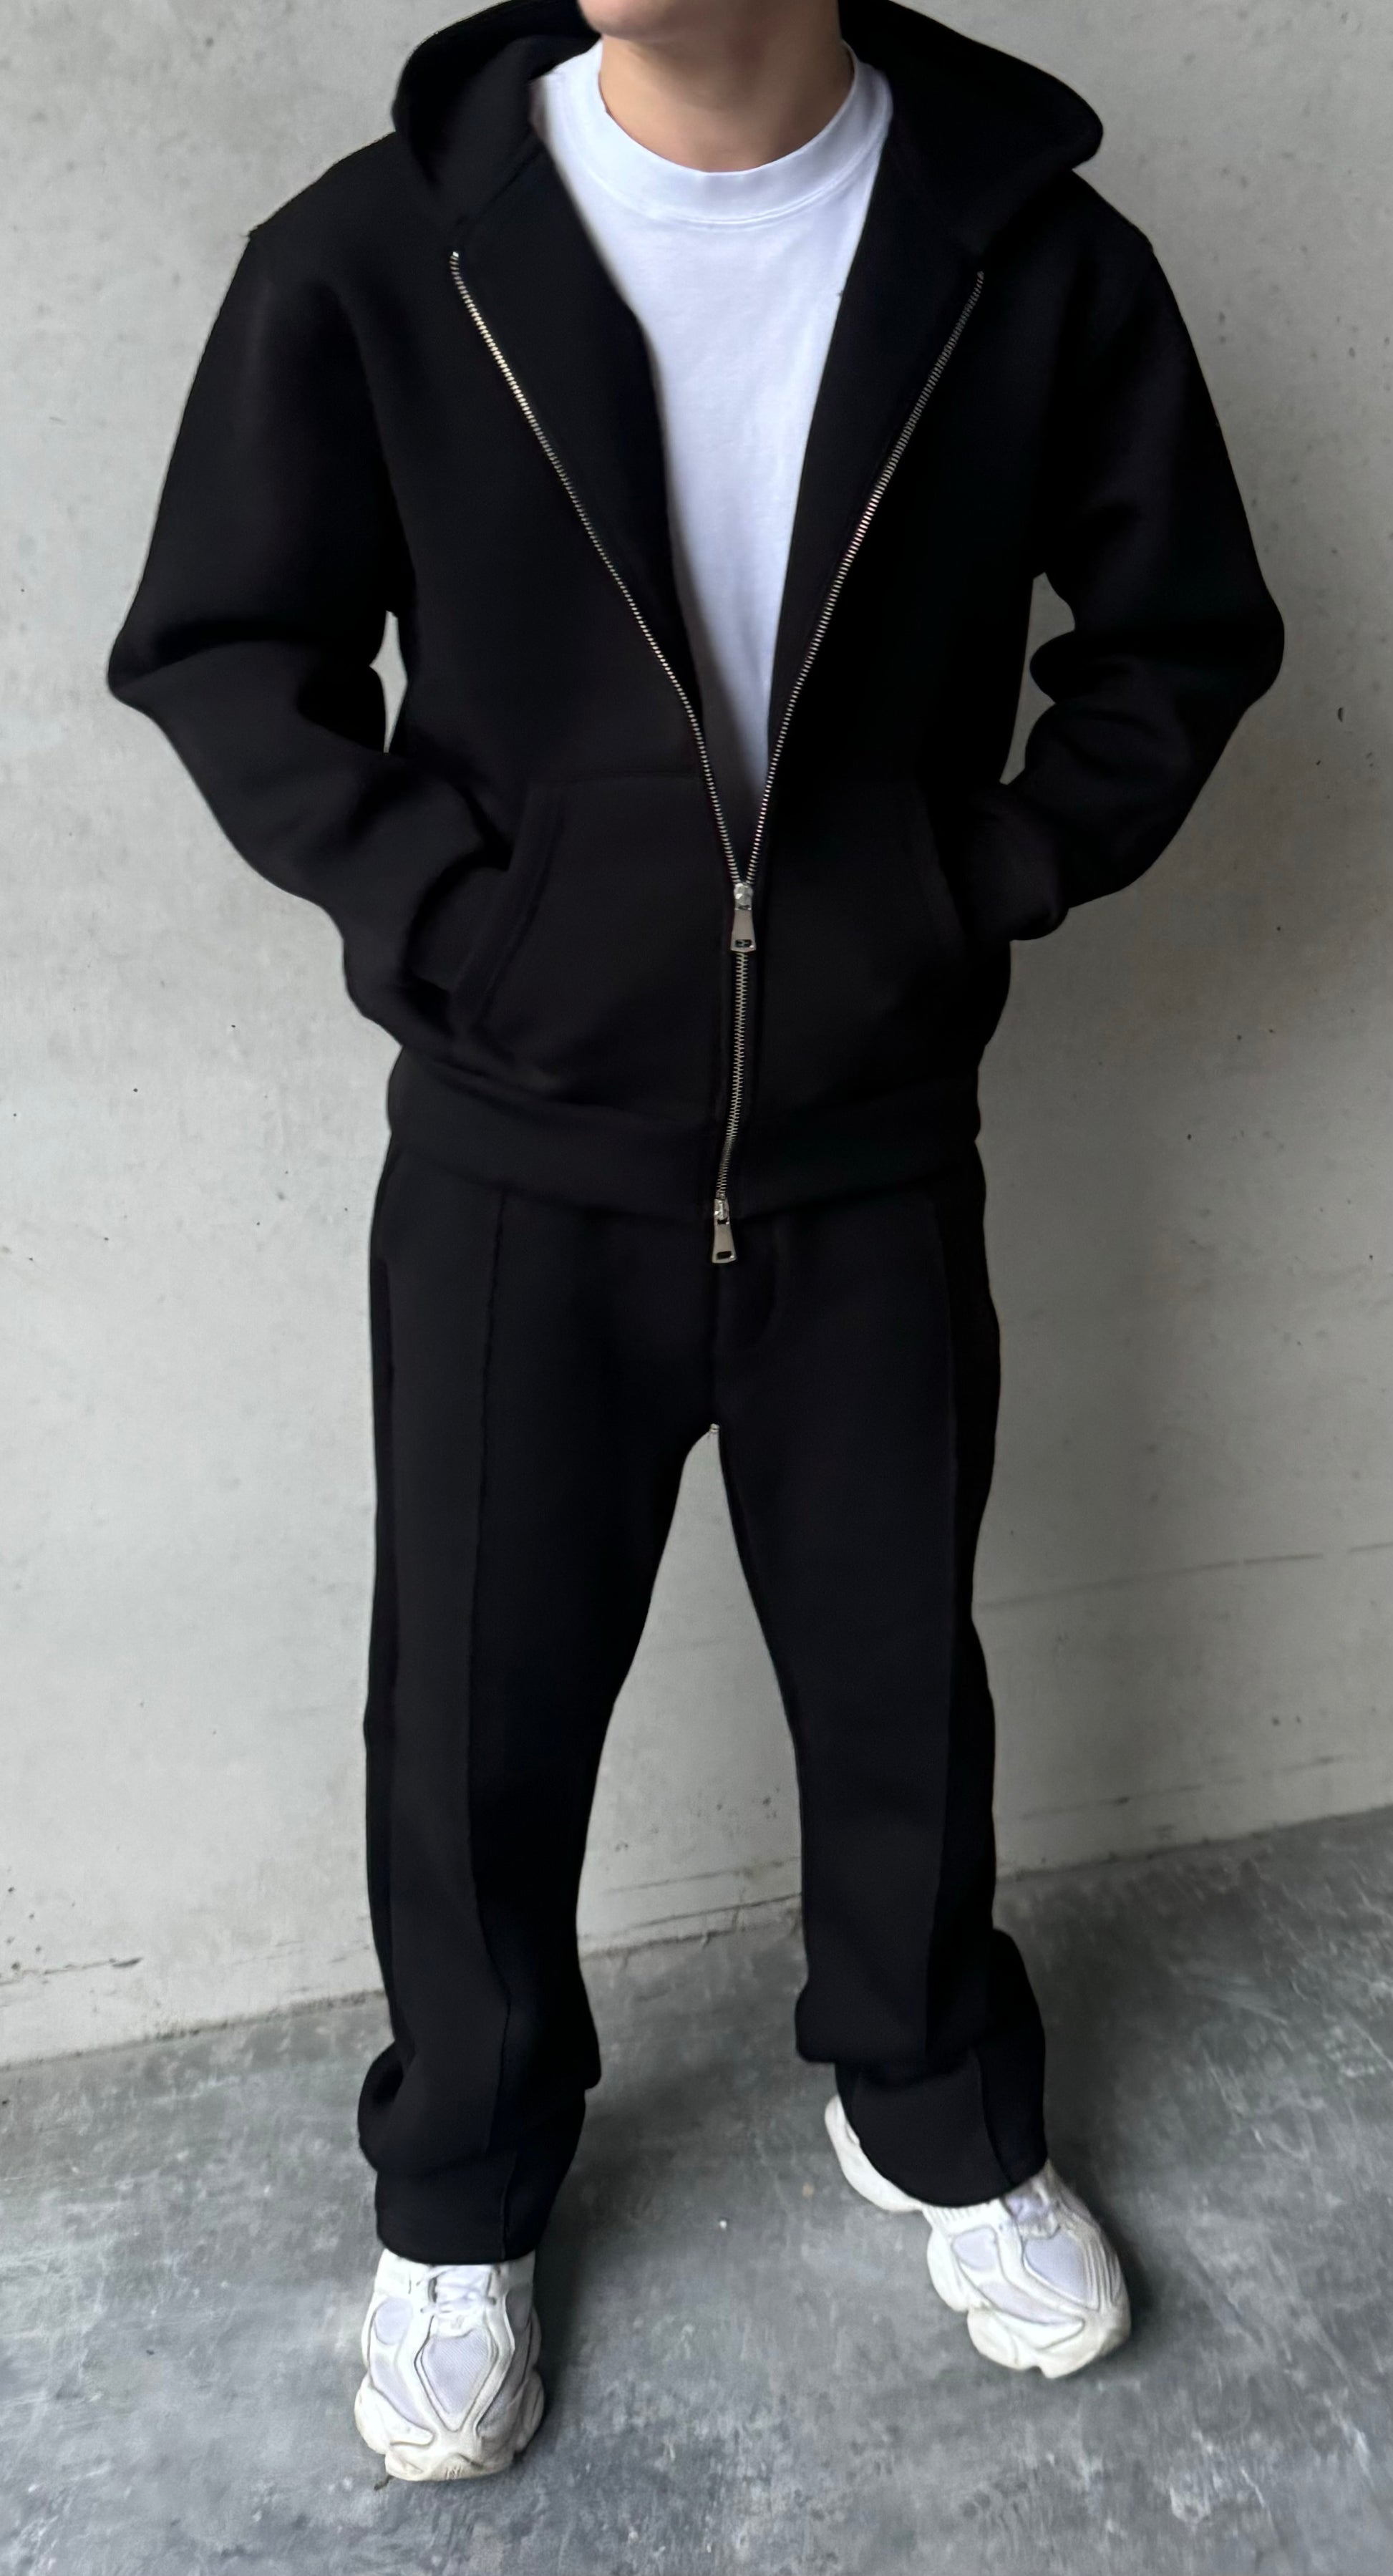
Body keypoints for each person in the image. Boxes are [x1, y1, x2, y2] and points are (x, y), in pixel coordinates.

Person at [108, 0, 1283, 2481]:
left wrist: (966, 890)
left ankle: (932, 2103)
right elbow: (223, 644)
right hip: (520, 1153)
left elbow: (1178, 640)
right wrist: (462, 927)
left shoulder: (1026, 258)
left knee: (892, 1671)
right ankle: (461, 2190)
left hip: (871, 1143)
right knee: (473, 1707)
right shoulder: (384, 251)